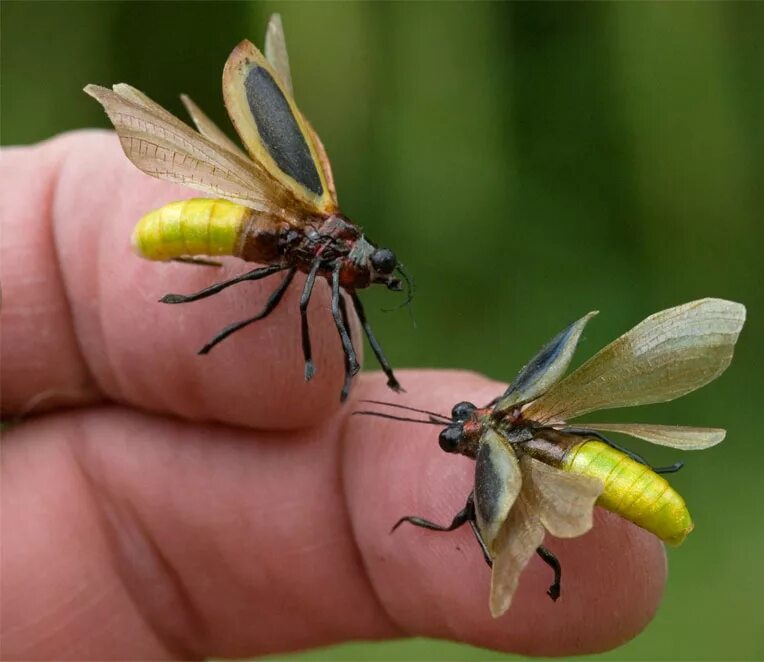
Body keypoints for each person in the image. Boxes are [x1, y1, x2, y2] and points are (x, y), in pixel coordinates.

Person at [0, 132, 667, 659]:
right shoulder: (320, 241)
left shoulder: (332, 254)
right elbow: (272, 306)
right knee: (273, 307)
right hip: (191, 230)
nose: (372, 279)